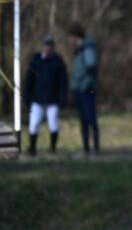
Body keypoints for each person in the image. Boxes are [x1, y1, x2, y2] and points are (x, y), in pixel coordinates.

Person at [23, 34, 68, 155]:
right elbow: (29, 80)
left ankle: (52, 148)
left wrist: (62, 97)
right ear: (43, 46)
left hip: (53, 100)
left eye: (50, 45)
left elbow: (63, 81)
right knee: (33, 125)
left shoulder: (57, 61)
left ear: (53, 47)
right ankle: (32, 148)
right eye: (46, 45)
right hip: (37, 99)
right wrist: (27, 96)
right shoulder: (36, 59)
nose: (48, 47)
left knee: (53, 125)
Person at [67, 22, 100, 154]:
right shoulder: (81, 48)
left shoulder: (87, 47)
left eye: (70, 37)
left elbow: (91, 64)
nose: (69, 40)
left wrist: (85, 82)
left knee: (89, 118)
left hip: (86, 89)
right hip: (80, 89)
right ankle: (86, 147)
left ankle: (94, 147)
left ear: (75, 35)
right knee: (84, 119)